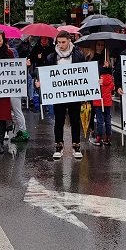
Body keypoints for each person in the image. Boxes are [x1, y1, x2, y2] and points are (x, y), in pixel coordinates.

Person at [39, 30, 87, 159]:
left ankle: (76, 146)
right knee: (59, 121)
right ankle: (58, 146)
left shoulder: (78, 55)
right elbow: (46, 74)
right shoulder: (51, 57)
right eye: (59, 42)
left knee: (75, 120)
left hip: (74, 93)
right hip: (58, 94)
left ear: (69, 41)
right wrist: (40, 83)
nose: (61, 45)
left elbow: (85, 73)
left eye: (63, 42)